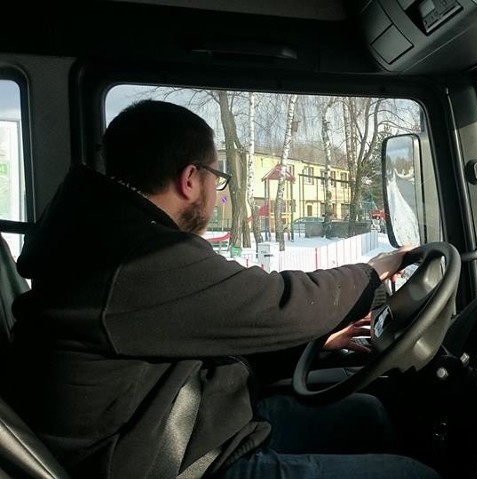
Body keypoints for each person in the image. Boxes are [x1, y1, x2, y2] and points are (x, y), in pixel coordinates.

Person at [6, 100, 440, 479]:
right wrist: (370, 274)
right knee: (415, 476)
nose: (217, 191)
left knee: (366, 415)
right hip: (173, 464)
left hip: (185, 432)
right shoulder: (135, 257)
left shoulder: (104, 238)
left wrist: (317, 341)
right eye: (219, 176)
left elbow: (207, 334)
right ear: (190, 178)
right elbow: (279, 303)